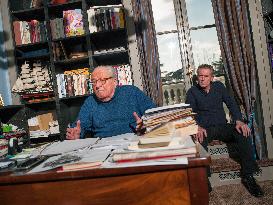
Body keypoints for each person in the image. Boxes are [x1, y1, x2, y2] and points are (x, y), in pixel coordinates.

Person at [185, 64, 264, 197]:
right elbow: (189, 114)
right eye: (200, 76)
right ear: (197, 77)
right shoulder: (192, 92)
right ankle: (205, 179)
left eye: (206, 76)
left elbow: (231, 103)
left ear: (212, 77)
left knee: (242, 132)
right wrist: (196, 126)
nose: (203, 79)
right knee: (198, 140)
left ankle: (248, 176)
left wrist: (238, 120)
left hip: (222, 126)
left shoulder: (219, 87)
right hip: (205, 129)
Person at [66, 65, 156, 139]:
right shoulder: (90, 102)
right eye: (94, 82)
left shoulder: (132, 92)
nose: (97, 85)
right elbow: (79, 126)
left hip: (134, 141)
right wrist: (76, 134)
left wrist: (146, 125)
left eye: (102, 80)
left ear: (114, 82)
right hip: (103, 149)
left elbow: (155, 116)